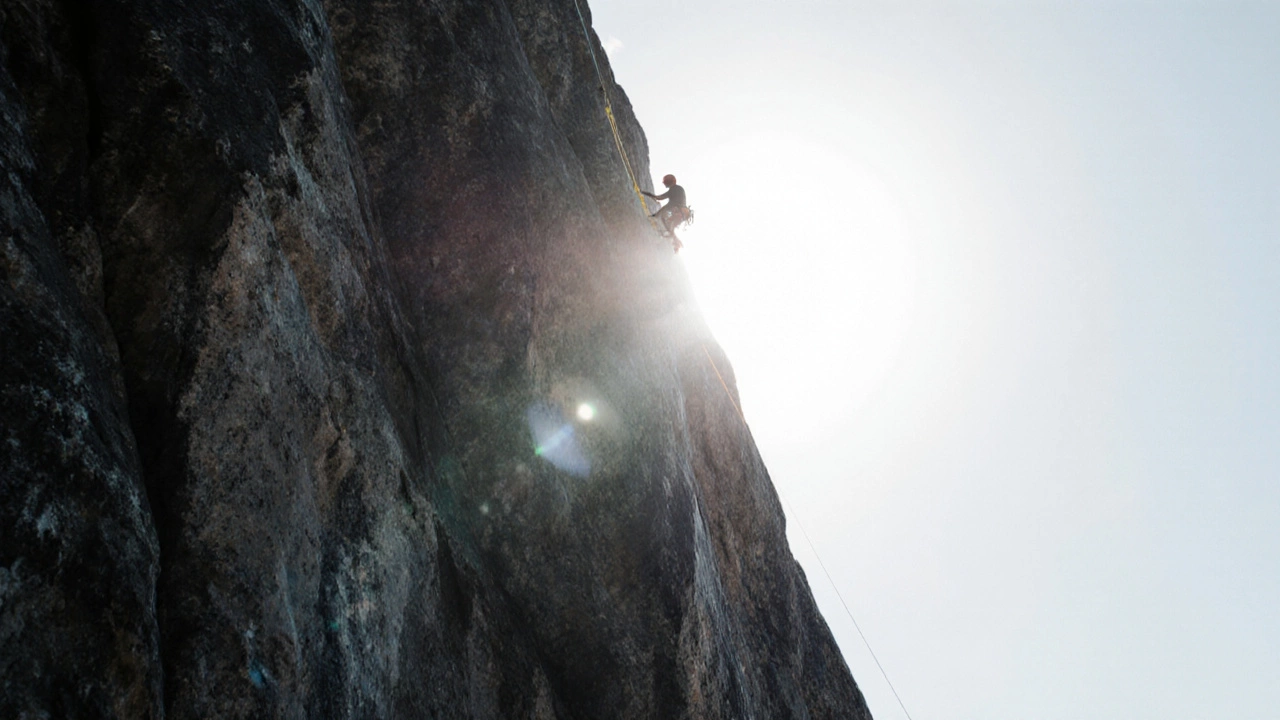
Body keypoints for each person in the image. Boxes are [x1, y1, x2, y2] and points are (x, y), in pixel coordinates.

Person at [642, 174, 688, 252]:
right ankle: (676, 243)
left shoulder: (674, 190)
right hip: (683, 214)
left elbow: (660, 199)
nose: (664, 184)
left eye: (665, 182)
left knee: (665, 219)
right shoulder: (678, 189)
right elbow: (668, 205)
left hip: (678, 212)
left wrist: (647, 194)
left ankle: (675, 242)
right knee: (670, 227)